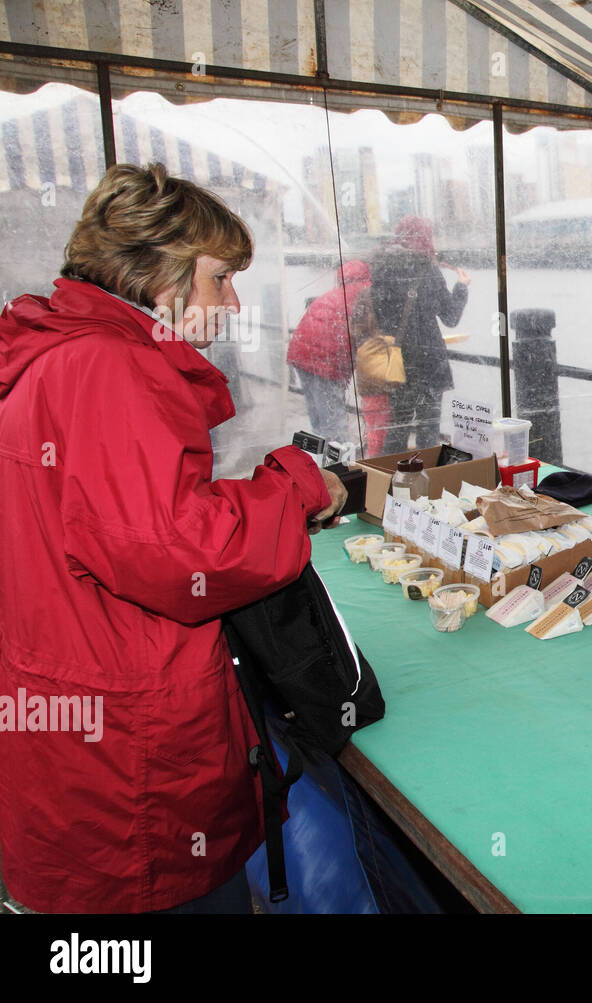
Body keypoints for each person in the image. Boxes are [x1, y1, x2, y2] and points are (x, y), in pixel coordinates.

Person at [0, 162, 348, 913]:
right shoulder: (107, 367)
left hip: (70, 732)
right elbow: (184, 551)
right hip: (130, 780)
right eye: (221, 277)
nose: (234, 299)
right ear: (161, 277)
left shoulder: (54, 354)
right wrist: (296, 485)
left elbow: (116, 517)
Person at [365, 215, 469, 453]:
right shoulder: (426, 268)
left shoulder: (381, 268)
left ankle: (390, 480)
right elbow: (450, 317)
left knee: (398, 429)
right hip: (428, 363)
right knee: (427, 432)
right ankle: (426, 482)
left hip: (397, 360)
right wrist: (461, 286)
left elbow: (379, 313)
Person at [286, 259, 372, 444]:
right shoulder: (365, 292)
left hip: (300, 353)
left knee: (317, 415)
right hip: (327, 360)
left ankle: (318, 460)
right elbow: (364, 331)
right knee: (334, 420)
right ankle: (337, 464)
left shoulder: (334, 294)